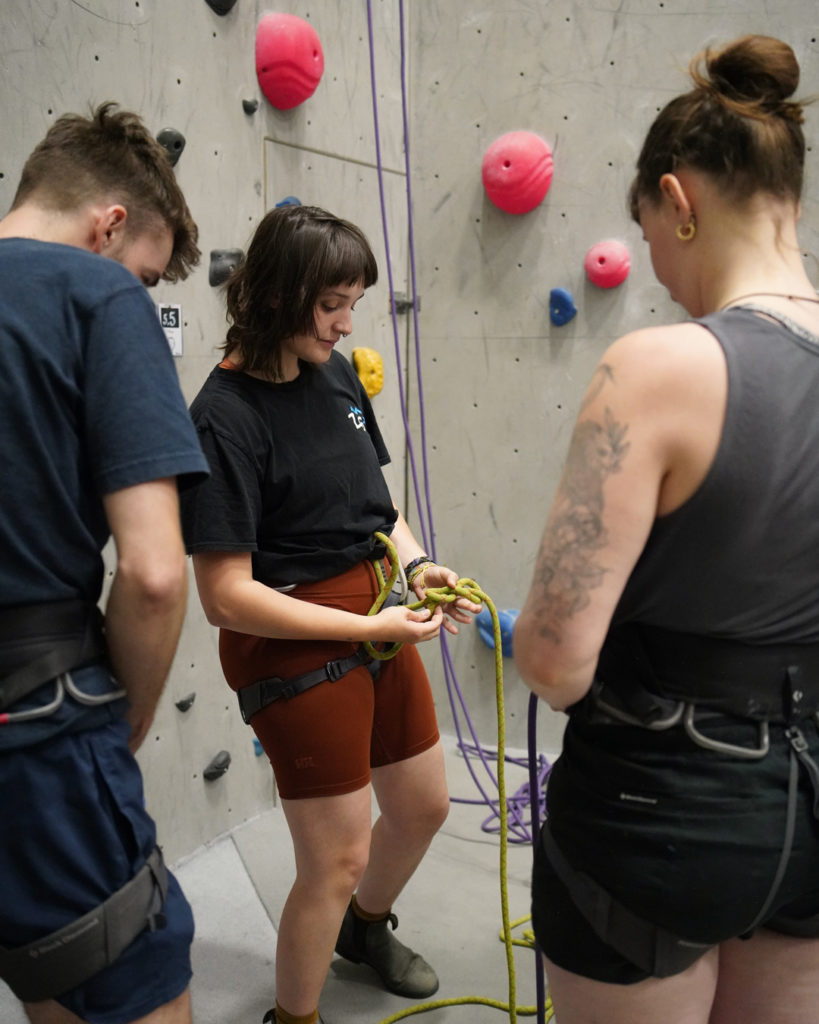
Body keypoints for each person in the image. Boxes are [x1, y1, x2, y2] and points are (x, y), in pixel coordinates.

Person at [515, 34, 819, 1024]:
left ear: (679, 200)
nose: (655, 264)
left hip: (666, 806)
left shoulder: (656, 368)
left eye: (648, 231)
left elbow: (556, 660)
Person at [179, 203, 479, 1024]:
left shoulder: (335, 376)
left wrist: (416, 565)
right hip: (290, 641)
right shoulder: (222, 419)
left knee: (422, 807)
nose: (347, 325)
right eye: (331, 305)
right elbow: (225, 596)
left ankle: (366, 931)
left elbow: (377, 510)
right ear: (278, 294)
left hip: (376, 615)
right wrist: (371, 629)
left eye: (353, 303)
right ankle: (294, 1017)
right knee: (337, 857)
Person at [0, 103, 209, 1024]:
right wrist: (119, 724)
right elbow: (156, 572)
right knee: (120, 981)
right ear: (109, 224)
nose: (147, 290)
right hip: (35, 724)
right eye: (151, 275)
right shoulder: (94, 294)